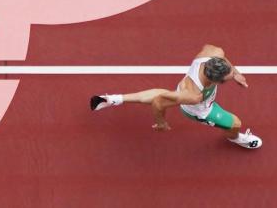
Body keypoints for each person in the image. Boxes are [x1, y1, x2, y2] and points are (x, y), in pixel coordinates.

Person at [90, 44, 262, 149]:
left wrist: (236, 73)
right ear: (214, 81)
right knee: (235, 124)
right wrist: (161, 122)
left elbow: (223, 59)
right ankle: (236, 139)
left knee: (167, 95)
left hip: (182, 89)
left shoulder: (212, 53)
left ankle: (113, 99)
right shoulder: (193, 96)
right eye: (228, 77)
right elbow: (158, 103)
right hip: (199, 109)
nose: (231, 75)